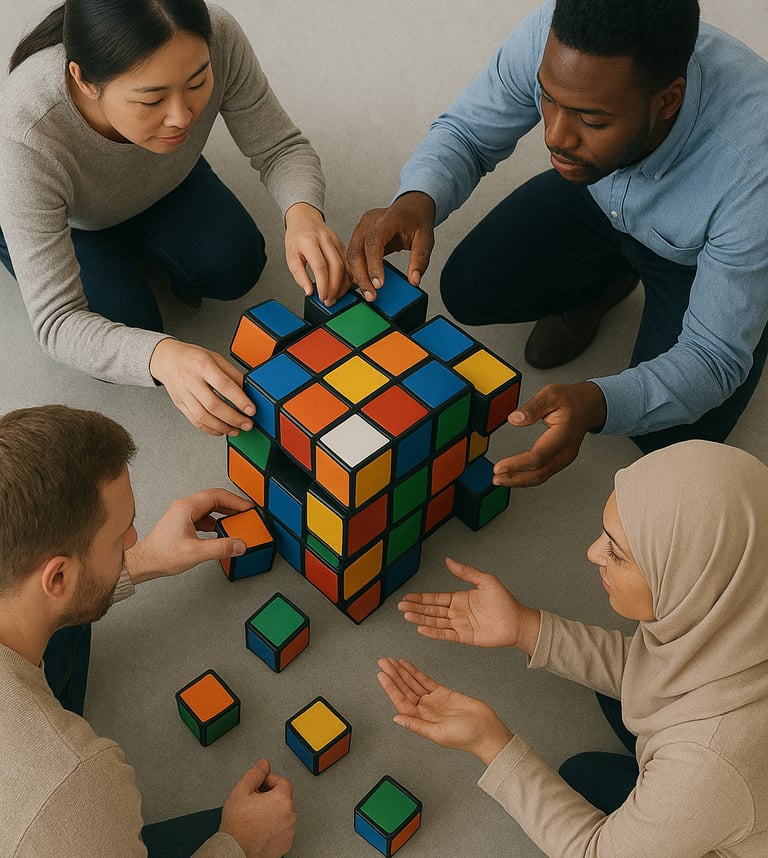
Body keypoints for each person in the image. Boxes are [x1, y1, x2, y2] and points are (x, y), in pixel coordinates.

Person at [347, 0, 768, 487]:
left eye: (592, 120)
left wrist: (598, 402)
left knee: (668, 440)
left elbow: (711, 358)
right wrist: (417, 199)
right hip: (597, 192)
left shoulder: (754, 171)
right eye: (548, 99)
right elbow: (467, 132)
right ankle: (605, 284)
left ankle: (753, 295)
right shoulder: (557, 33)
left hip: (700, 258)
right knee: (469, 288)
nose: (555, 136)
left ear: (668, 101)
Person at [378, 439, 768, 855]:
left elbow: (593, 853)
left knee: (582, 775)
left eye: (617, 553)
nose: (592, 553)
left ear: (692, 580)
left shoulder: (707, 763)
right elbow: (650, 665)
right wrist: (524, 626)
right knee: (619, 693)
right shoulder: (744, 595)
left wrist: (488, 742)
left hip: (719, 795)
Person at [0, 0, 349, 437]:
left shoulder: (217, 35)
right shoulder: (25, 133)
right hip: (71, 219)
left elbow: (281, 146)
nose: (182, 118)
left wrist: (303, 214)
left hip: (164, 178)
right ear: (85, 81)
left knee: (237, 262)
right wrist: (162, 357)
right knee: (132, 327)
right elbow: (58, 321)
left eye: (197, 83)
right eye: (152, 99)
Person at [0, 404, 296, 857]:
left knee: (70, 625)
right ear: (57, 577)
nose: (134, 540)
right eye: (120, 535)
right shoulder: (78, 782)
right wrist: (243, 843)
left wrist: (143, 561)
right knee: (249, 825)